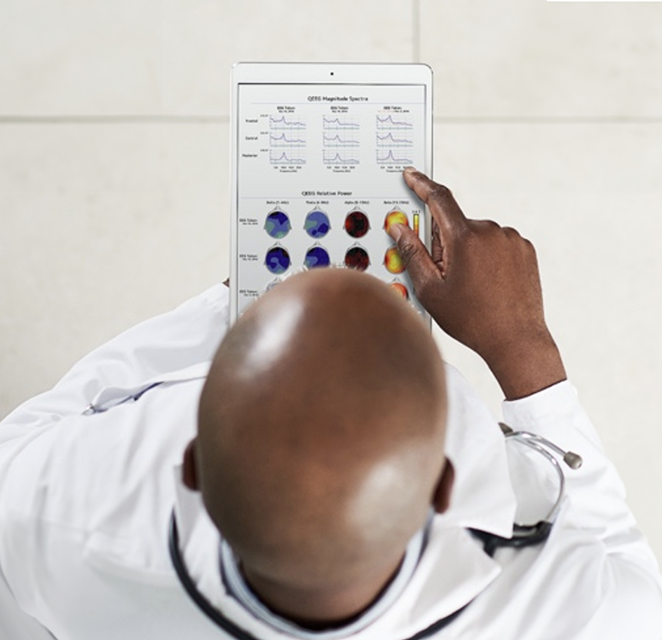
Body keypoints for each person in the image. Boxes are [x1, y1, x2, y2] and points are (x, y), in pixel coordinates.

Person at [1, 168, 660, 639]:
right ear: (442, 484)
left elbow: (29, 435)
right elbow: (626, 569)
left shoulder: (55, 509)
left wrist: (224, 311)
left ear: (194, 463)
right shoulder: (564, 608)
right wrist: (523, 347)